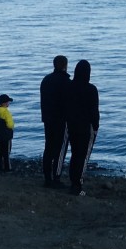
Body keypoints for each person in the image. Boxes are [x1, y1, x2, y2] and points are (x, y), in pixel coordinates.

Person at [66, 59, 99, 196]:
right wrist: (96, 126)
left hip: (71, 124)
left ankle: (73, 181)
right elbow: (94, 110)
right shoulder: (91, 89)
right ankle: (77, 185)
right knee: (83, 155)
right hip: (86, 126)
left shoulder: (69, 86)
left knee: (75, 153)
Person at [41, 55, 70, 187]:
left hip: (47, 118)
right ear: (65, 65)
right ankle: (56, 178)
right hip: (61, 120)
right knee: (60, 149)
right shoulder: (66, 82)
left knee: (49, 147)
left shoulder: (46, 80)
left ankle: (47, 178)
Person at [0, 94, 15, 172]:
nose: (9, 104)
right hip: (6, 136)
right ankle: (8, 168)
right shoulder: (6, 112)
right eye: (8, 102)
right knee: (6, 153)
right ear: (4, 103)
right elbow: (10, 124)